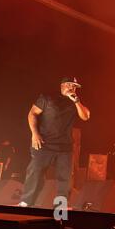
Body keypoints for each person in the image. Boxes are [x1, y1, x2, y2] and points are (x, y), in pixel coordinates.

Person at [18, 77, 90, 207]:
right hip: (43, 143)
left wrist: (77, 102)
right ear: (62, 85)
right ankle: (26, 202)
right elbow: (32, 113)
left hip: (64, 147)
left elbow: (85, 116)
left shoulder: (74, 102)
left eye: (74, 86)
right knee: (35, 172)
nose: (72, 88)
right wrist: (35, 134)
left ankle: (60, 206)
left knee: (65, 179)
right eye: (70, 85)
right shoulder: (47, 98)